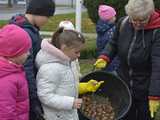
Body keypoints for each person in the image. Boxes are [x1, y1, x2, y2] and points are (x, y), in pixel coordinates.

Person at [94, 0, 160, 119]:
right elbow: (113, 43)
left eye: (142, 20)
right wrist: (105, 56)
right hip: (123, 84)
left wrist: (154, 95)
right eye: (134, 19)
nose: (137, 24)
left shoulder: (157, 31)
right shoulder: (123, 22)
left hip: (145, 87)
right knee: (123, 115)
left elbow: (158, 66)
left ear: (150, 14)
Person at [35, 28, 103, 120]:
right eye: (76, 52)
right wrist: (70, 103)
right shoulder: (50, 68)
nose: (79, 55)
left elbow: (67, 85)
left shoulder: (69, 62)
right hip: (57, 116)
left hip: (68, 113)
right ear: (64, 48)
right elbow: (45, 96)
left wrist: (85, 86)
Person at [9, 0, 55, 119]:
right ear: (38, 12)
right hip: (27, 90)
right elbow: (27, 70)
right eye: (47, 16)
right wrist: (34, 100)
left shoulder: (29, 28)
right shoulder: (26, 33)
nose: (47, 20)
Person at [0, 24, 31, 120]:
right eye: (25, 51)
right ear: (14, 52)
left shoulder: (13, 69)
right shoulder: (7, 79)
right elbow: (6, 114)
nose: (29, 54)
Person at [96, 5, 119, 72]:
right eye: (114, 16)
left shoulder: (101, 29)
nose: (115, 17)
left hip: (103, 59)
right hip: (114, 62)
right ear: (110, 18)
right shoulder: (112, 31)